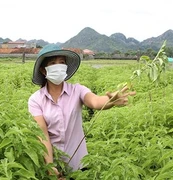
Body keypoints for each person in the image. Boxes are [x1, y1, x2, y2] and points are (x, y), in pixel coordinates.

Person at [28, 44, 136, 177]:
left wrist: (110, 101)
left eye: (62, 62)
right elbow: (42, 135)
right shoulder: (36, 100)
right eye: (52, 63)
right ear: (43, 70)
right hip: (53, 165)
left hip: (78, 164)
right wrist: (50, 167)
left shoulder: (77, 90)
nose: (58, 66)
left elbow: (95, 101)